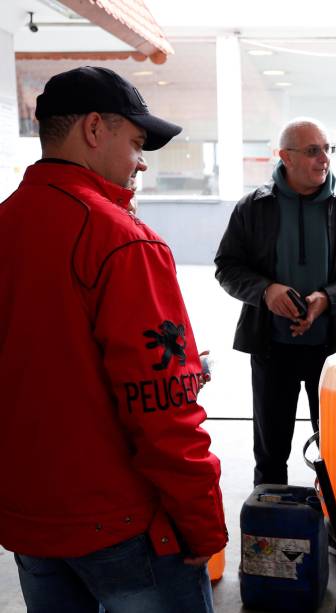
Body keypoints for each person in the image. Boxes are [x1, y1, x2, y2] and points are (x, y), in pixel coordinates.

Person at [0, 66, 227, 612]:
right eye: (137, 142)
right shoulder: (120, 240)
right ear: (95, 129)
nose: (142, 161)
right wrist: (203, 520)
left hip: (30, 521)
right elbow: (162, 409)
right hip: (123, 524)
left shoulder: (7, 221)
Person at [214, 117, 336, 486]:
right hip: (272, 348)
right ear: (284, 157)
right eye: (312, 151)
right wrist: (265, 291)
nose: (324, 158)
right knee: (270, 451)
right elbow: (226, 267)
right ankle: (271, 536)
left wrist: (327, 298)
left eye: (327, 149)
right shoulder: (253, 207)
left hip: (331, 351)